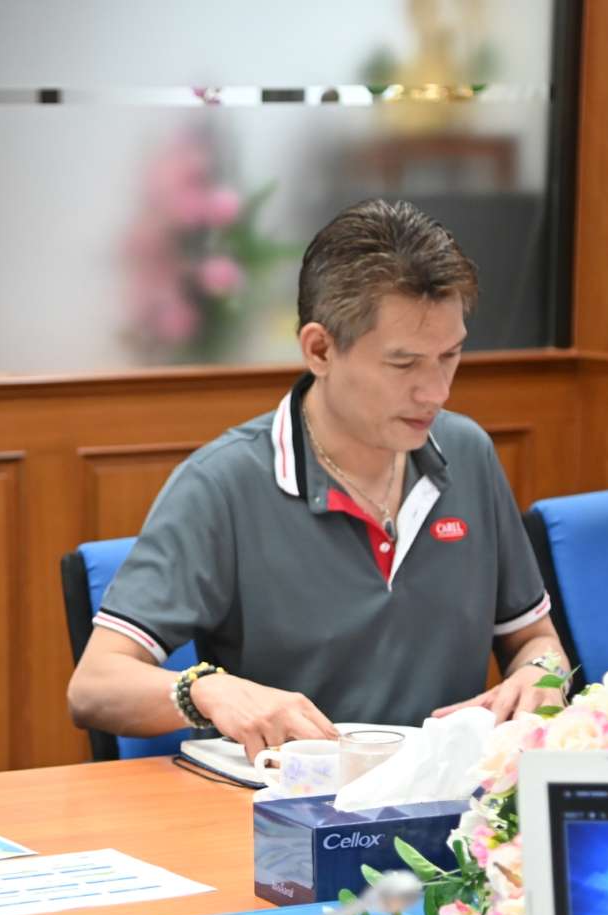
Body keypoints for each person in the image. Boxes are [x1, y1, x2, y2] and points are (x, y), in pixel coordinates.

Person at [67, 199, 566, 762]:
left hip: (447, 801)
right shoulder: (222, 484)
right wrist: (207, 689)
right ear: (320, 349)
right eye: (404, 364)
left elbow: (534, 639)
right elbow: (95, 686)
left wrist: (541, 672)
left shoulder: (468, 453)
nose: (437, 391)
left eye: (449, 356)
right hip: (282, 803)